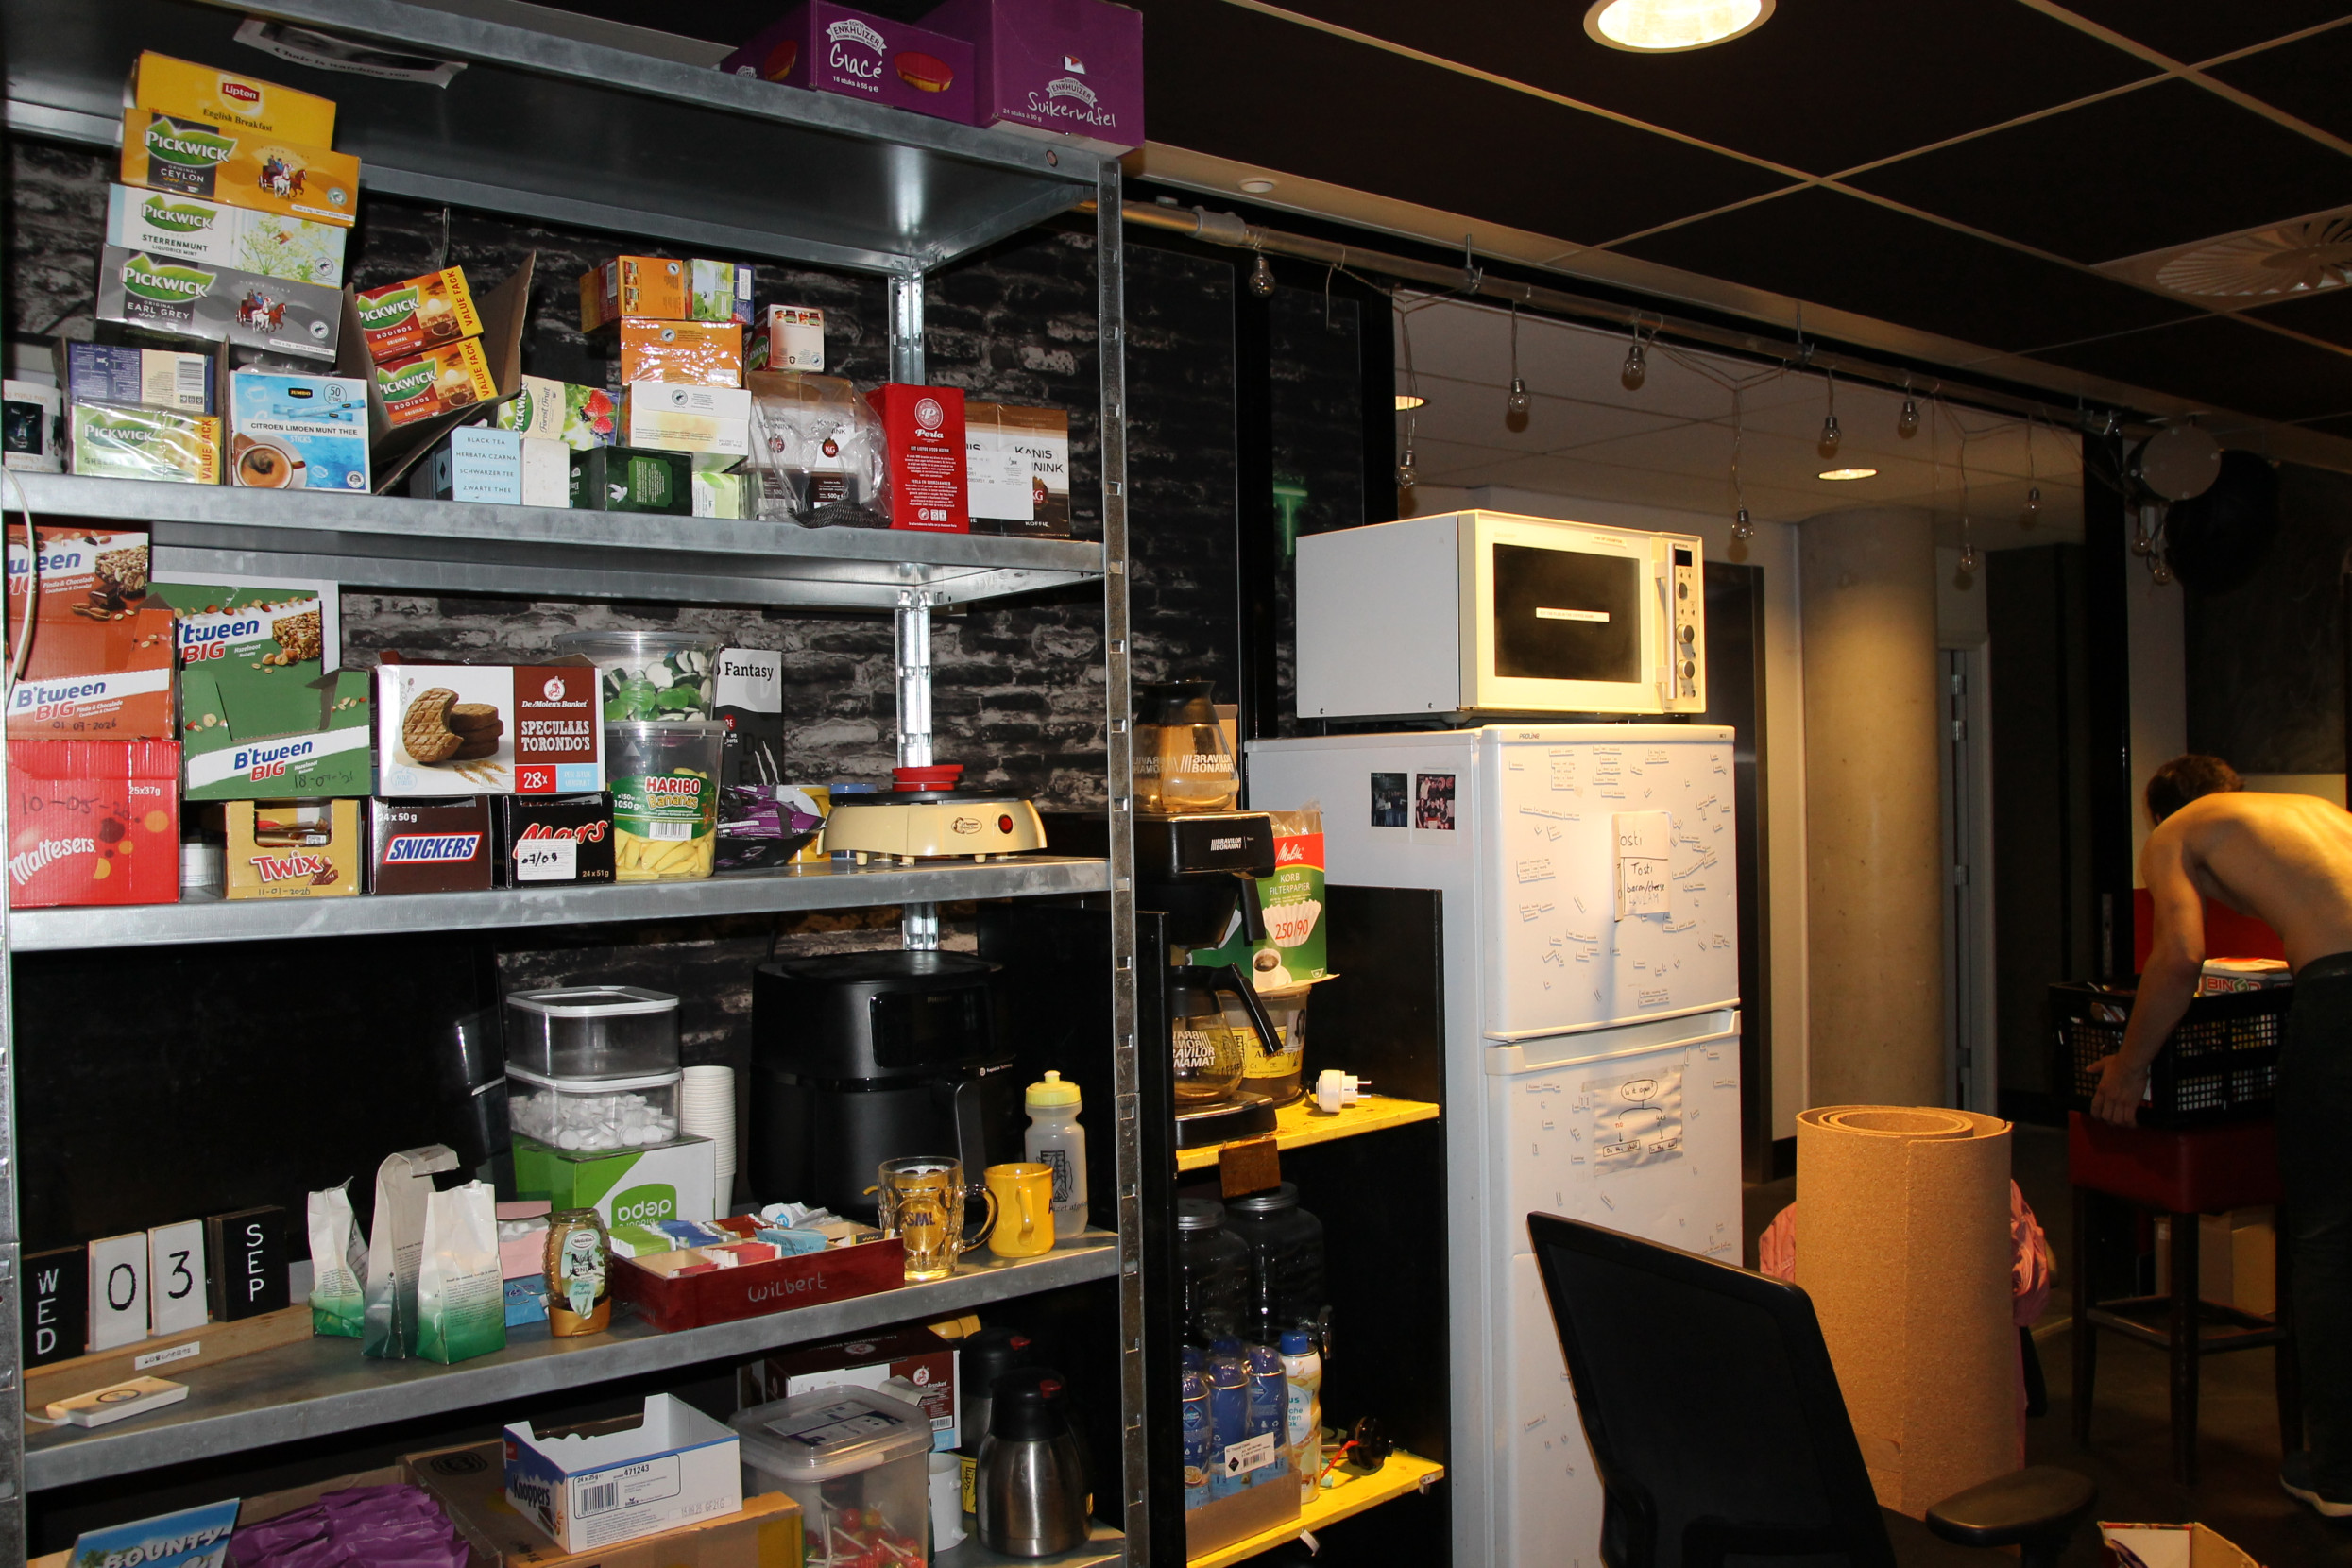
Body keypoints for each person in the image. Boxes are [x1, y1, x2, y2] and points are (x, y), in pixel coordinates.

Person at [2091, 754, 2352, 1517]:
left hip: (2342, 998)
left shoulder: (2177, 832)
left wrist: (2129, 1067)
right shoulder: (2316, 814)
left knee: (2328, 1238)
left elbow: (2179, 956)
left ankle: (2340, 1476)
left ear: (2160, 810)